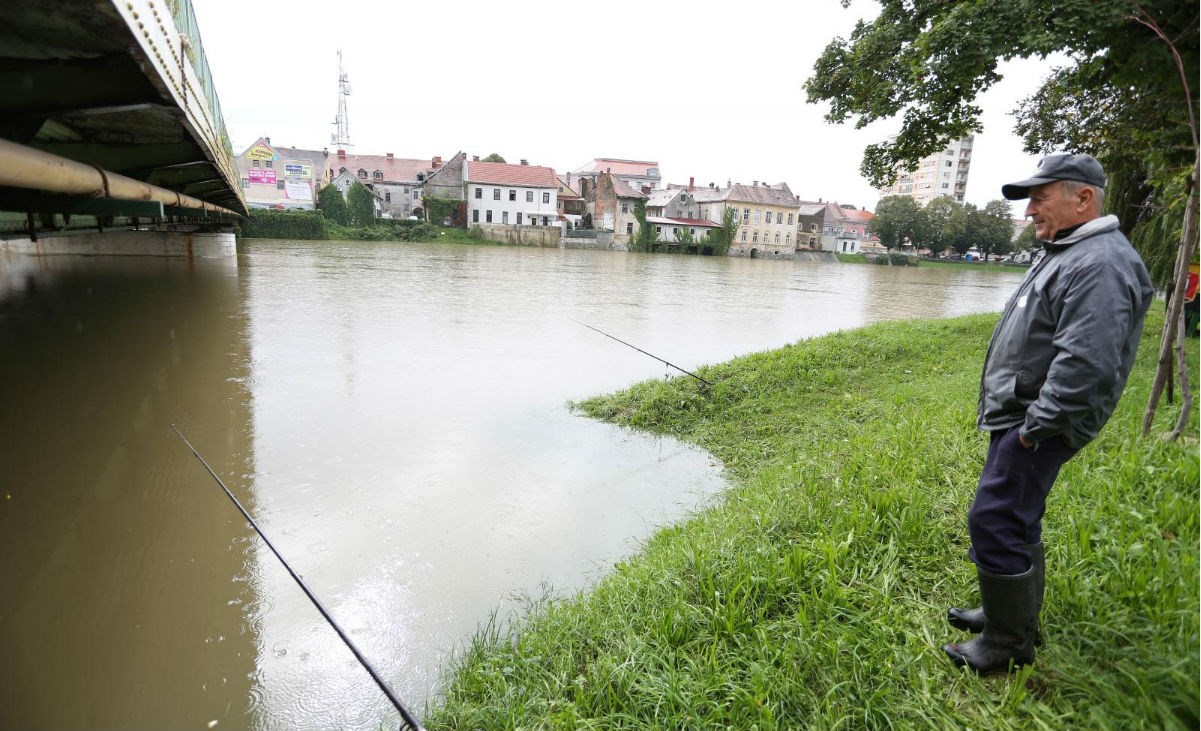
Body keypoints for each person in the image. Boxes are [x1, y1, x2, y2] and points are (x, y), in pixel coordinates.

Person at [942, 153, 1154, 674]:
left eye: (1041, 197)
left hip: (1040, 421)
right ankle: (1008, 614)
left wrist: (1034, 430)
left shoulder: (1098, 262)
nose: (1030, 210)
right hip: (1027, 413)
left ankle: (1008, 643)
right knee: (1018, 513)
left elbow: (1086, 364)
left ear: (1082, 199)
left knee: (995, 517)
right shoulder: (1071, 249)